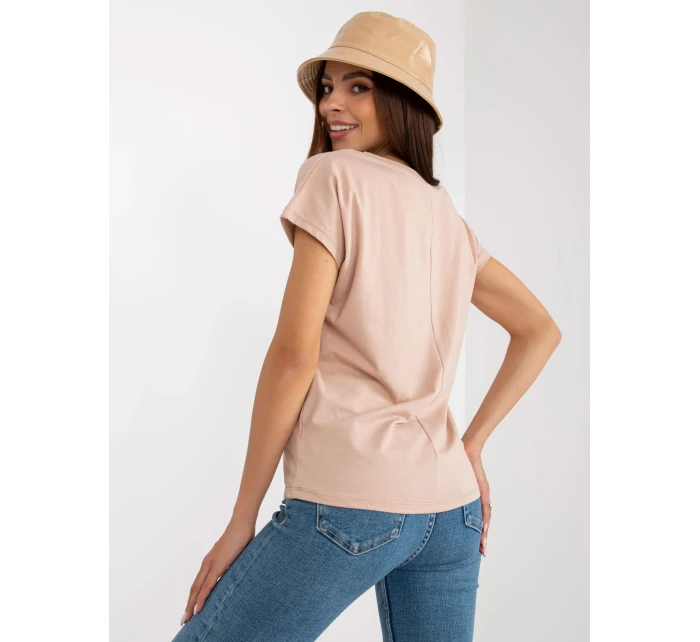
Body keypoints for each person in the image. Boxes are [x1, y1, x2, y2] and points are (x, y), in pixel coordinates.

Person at [172, 11, 561, 642]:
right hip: (452, 512)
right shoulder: (445, 216)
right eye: (329, 86)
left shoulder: (333, 178)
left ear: (405, 104)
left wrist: (242, 518)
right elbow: (539, 329)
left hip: (349, 503)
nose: (333, 104)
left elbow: (293, 357)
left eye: (360, 87)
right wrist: (470, 448)